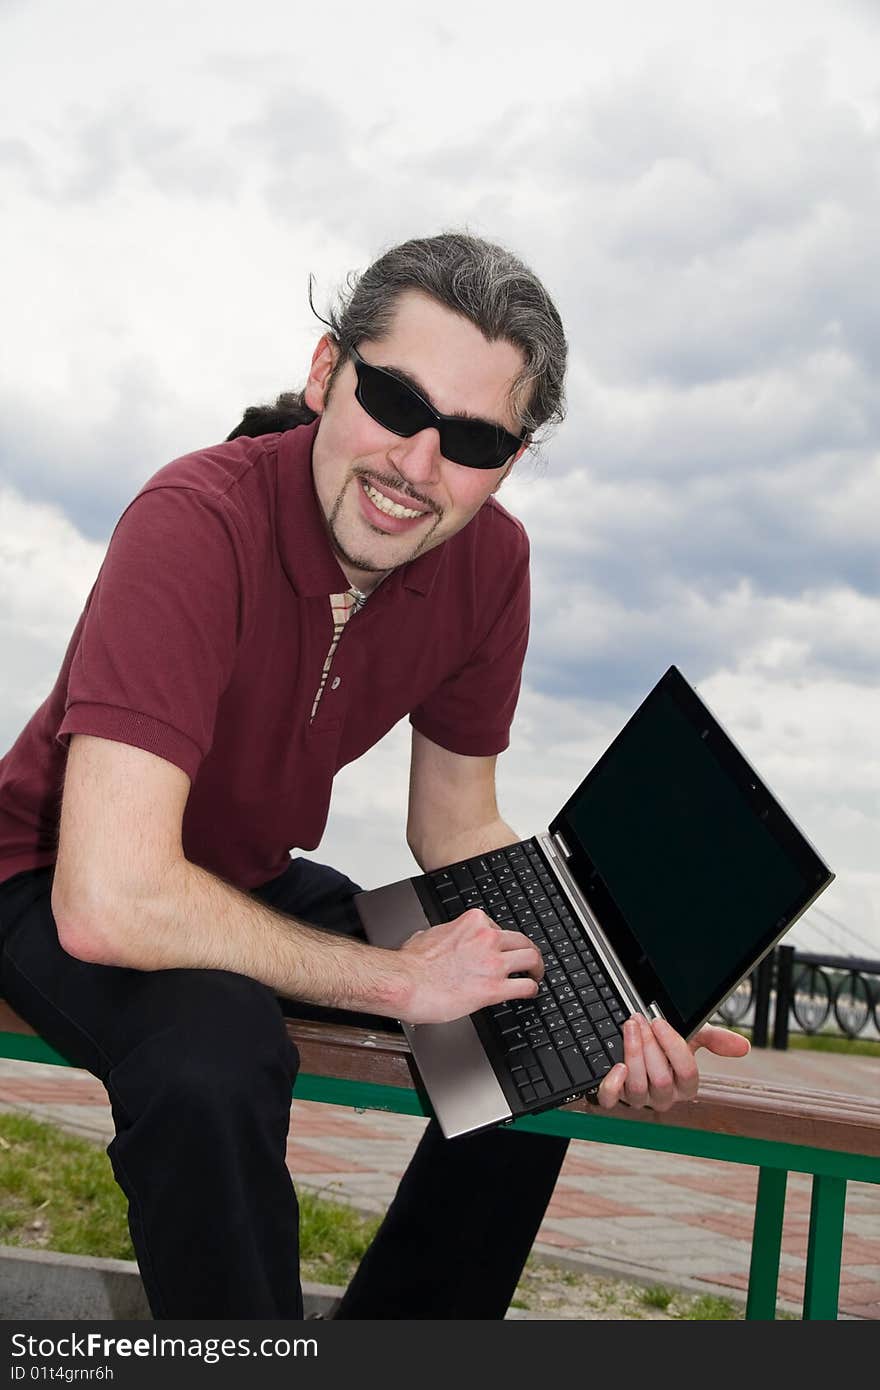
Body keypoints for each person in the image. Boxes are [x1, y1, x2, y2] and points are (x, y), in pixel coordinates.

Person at [0, 232, 749, 1320]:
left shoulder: (491, 563)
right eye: (394, 399)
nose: (417, 464)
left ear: (512, 460)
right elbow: (110, 898)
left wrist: (617, 991)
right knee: (214, 1058)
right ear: (324, 373)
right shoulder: (193, 521)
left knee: (536, 1021)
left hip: (243, 879)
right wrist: (403, 981)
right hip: (53, 867)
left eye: (477, 438)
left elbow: (454, 824)